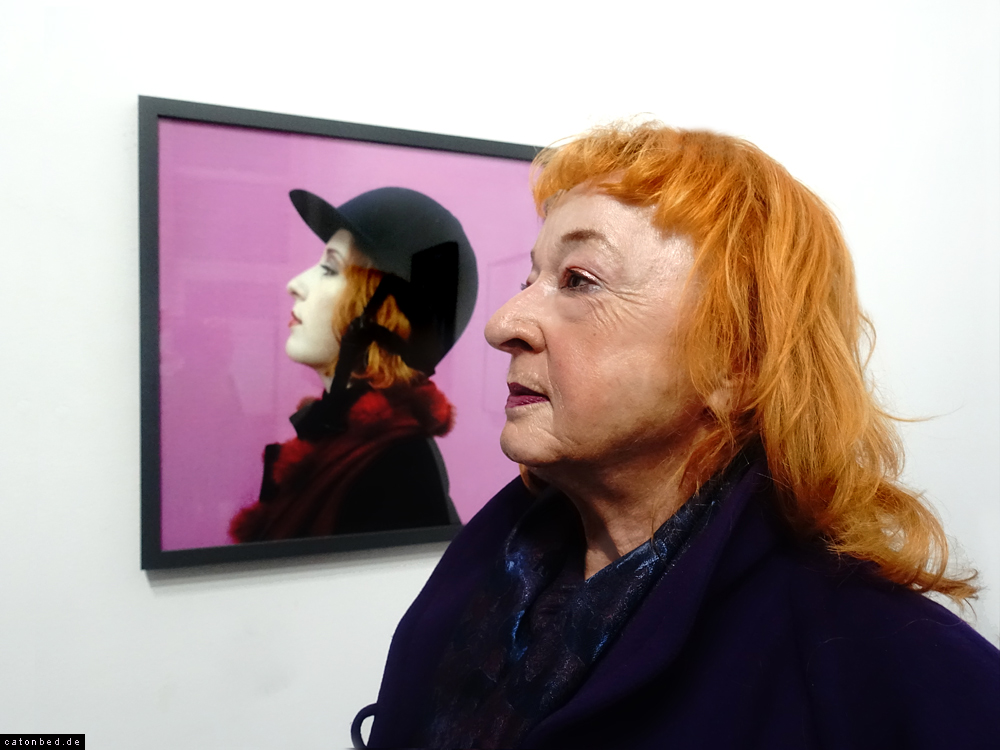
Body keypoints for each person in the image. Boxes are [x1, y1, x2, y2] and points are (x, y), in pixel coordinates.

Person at [354, 124, 1000, 749]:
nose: (503, 323)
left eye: (579, 279)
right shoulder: (475, 584)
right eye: (531, 280)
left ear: (737, 360)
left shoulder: (895, 675)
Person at [230, 187, 477, 541]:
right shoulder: (333, 445)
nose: (295, 285)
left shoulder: (398, 467)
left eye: (330, 268)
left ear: (385, 314)